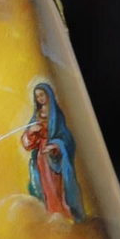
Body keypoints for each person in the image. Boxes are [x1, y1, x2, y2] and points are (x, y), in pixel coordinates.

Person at [21, 82, 84, 220]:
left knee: (56, 186)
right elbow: (28, 143)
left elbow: (66, 138)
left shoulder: (56, 115)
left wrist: (55, 146)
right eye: (37, 96)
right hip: (41, 157)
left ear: (48, 95)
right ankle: (52, 214)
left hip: (55, 158)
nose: (40, 98)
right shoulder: (37, 115)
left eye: (42, 95)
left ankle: (64, 213)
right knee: (46, 187)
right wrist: (31, 131)